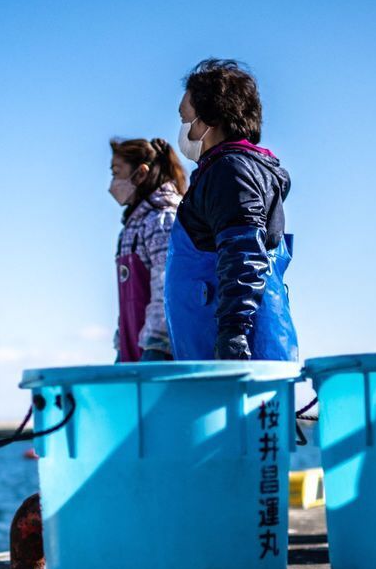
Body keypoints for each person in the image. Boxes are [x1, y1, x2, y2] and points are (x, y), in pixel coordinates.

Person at [165, 59, 297, 361]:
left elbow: (244, 251)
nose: (183, 129)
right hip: (213, 353)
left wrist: (232, 333)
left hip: (233, 358)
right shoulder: (228, 170)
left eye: (185, 118)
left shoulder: (230, 172)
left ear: (209, 120)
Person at [108, 138, 185, 362]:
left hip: (159, 358)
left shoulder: (163, 219)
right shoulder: (132, 226)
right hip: (134, 353)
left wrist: (156, 346)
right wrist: (121, 345)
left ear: (141, 173)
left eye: (116, 172)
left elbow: (166, 289)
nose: (112, 183)